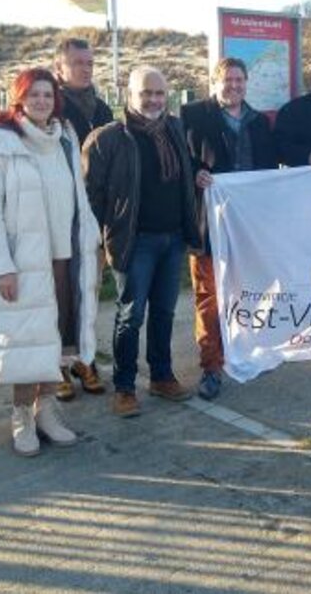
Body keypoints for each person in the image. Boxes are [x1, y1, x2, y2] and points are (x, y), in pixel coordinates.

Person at [0, 68, 101, 456]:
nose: (41, 101)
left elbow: (79, 197)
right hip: (24, 263)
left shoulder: (63, 141)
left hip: (63, 259)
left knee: (55, 340)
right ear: (19, 98)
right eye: (34, 94)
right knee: (24, 342)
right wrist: (2, 267)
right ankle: (21, 417)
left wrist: (91, 241)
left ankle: (46, 410)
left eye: (48, 94)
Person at [84, 66, 199, 416]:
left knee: (165, 311)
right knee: (131, 316)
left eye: (159, 93)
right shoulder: (107, 139)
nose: (153, 100)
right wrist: (101, 244)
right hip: (135, 243)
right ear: (129, 96)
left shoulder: (175, 128)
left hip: (173, 238)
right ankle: (124, 387)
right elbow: (92, 197)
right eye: (145, 93)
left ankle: (162, 376)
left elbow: (186, 172)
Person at [180, 58, 279, 400]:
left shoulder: (260, 123)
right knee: (209, 296)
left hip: (246, 224)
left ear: (246, 82)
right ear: (215, 81)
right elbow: (181, 159)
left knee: (246, 290)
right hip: (207, 223)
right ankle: (211, 366)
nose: (234, 85)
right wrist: (195, 172)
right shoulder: (193, 115)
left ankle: (246, 349)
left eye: (239, 80)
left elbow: (269, 170)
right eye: (227, 80)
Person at [52, 37, 110, 397]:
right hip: (59, 217)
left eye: (89, 62)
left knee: (88, 291)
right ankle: (57, 364)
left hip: (95, 216)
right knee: (60, 294)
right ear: (60, 68)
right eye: (77, 63)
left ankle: (84, 358)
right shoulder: (51, 108)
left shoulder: (102, 109)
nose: (85, 68)